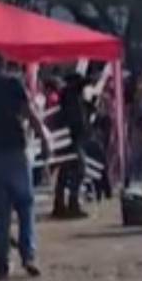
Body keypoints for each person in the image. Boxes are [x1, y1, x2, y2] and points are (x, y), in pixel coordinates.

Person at [0, 52, 51, 279]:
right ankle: (28, 256)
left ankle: (2, 263)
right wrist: (44, 139)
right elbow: (28, 113)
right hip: (14, 151)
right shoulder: (13, 83)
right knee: (24, 205)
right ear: (3, 65)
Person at [53, 73, 90, 219]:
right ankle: (72, 204)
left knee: (65, 172)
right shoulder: (70, 95)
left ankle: (60, 205)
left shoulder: (71, 96)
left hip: (70, 138)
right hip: (71, 138)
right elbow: (75, 120)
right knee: (79, 170)